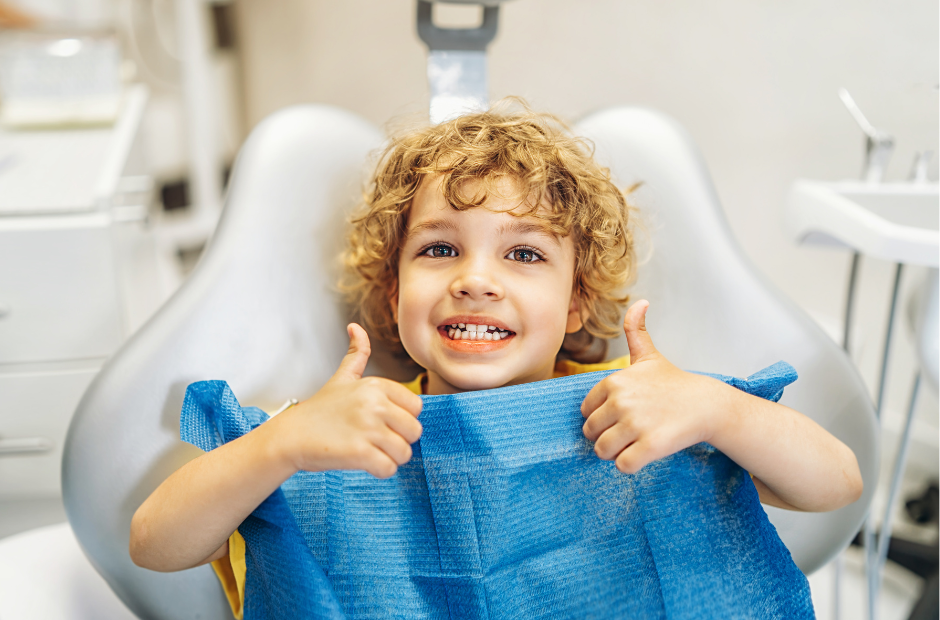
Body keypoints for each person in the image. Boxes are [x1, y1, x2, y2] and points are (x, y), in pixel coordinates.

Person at [129, 103, 863, 614]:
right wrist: (279, 445)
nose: (475, 278)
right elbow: (154, 544)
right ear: (391, 296)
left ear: (577, 303)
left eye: (523, 253)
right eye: (440, 248)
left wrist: (719, 409)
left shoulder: (646, 410)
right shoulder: (333, 435)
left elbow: (835, 484)